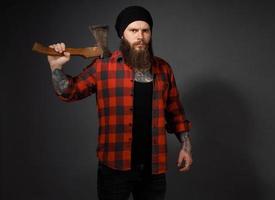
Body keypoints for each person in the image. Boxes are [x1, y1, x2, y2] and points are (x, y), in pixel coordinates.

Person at [47, 5, 192, 200]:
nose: (140, 36)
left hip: (154, 168)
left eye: (145, 30)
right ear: (122, 35)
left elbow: (175, 112)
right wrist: (56, 68)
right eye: (133, 30)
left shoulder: (163, 68)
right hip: (114, 167)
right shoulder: (103, 66)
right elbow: (70, 92)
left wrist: (186, 146)